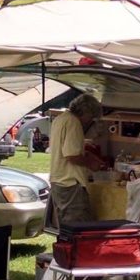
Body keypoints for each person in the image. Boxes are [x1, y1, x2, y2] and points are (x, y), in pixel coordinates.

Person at [49, 94, 106, 227]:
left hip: (59, 180)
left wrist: (86, 153)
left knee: (66, 226)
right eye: (91, 117)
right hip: (70, 182)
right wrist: (91, 163)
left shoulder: (61, 118)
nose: (89, 121)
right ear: (86, 112)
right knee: (78, 227)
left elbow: (64, 149)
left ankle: (65, 248)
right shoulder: (73, 122)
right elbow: (71, 156)